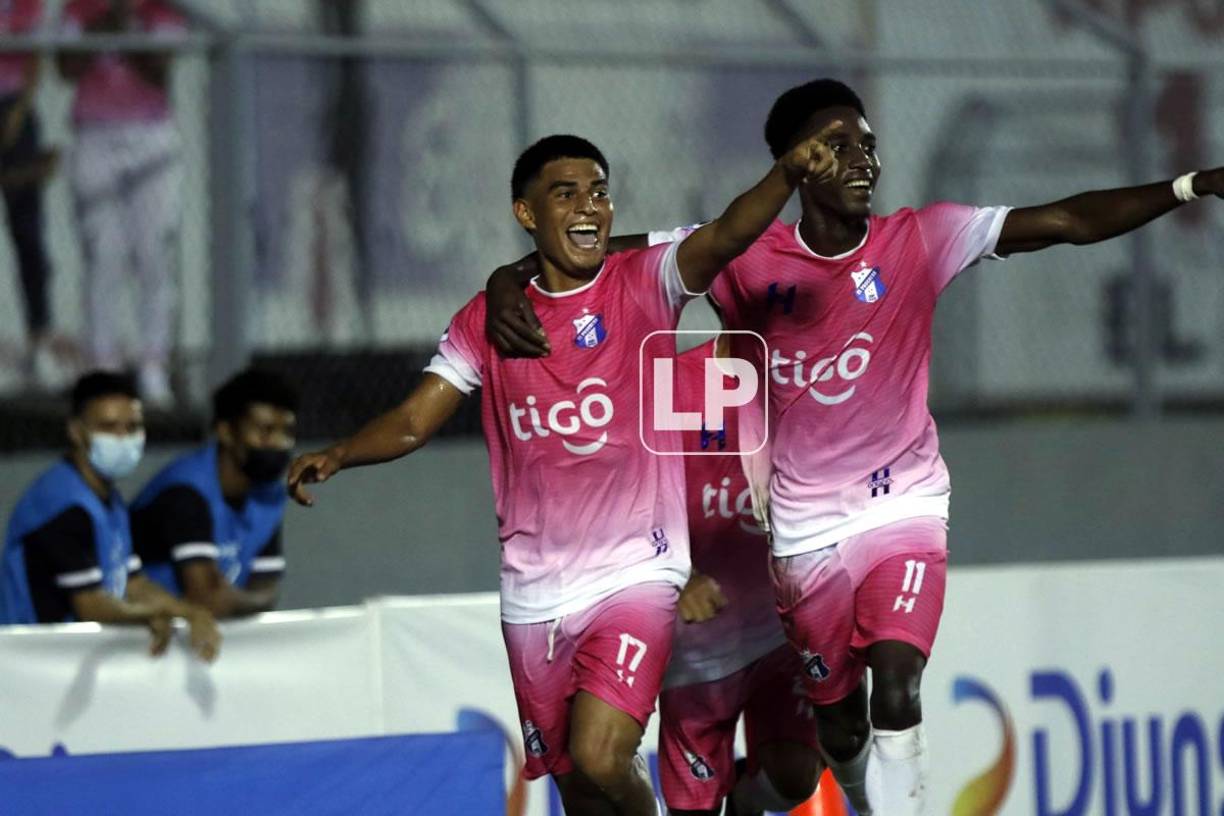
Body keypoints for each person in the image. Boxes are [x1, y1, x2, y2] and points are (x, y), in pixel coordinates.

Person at [484, 79, 1224, 815]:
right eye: (837, 146)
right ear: (797, 163)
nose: (862, 159)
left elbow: (1065, 218)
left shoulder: (922, 238)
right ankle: (862, 788)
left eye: (867, 144)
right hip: (804, 535)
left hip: (904, 504)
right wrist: (509, 277)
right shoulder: (743, 257)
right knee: (840, 718)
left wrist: (1191, 185)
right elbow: (591, 256)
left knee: (898, 682)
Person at [287, 132, 832, 815]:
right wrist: (338, 454)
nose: (589, 206)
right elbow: (410, 421)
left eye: (599, 192)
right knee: (583, 792)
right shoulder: (489, 319)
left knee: (603, 754)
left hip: (637, 575)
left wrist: (784, 173)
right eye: (565, 192)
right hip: (535, 594)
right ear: (526, 214)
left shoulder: (645, 284)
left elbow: (726, 235)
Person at [658, 333, 824, 816]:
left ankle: (747, 803)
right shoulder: (678, 384)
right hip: (704, 635)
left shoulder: (811, 377)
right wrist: (678, 574)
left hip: (785, 628)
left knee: (795, 779)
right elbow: (633, 492)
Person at [0, 371, 219, 662]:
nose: (123, 438)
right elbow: (90, 605)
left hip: (64, 663)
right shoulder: (63, 504)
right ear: (76, 431)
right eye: (109, 427)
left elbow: (132, 582)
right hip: (25, 664)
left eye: (133, 427)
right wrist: (156, 613)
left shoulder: (108, 500)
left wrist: (190, 613)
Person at [56, 0, 186, 406]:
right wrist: (104, 23)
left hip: (150, 134)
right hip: (95, 133)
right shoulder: (80, 7)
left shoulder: (163, 7)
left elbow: (160, 65)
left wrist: (125, 25)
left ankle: (152, 365)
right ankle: (102, 368)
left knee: (153, 256)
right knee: (103, 254)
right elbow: (66, 66)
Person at [131, 369, 297, 618]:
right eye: (265, 431)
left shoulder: (269, 495)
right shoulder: (184, 493)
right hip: (140, 638)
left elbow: (268, 589)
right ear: (226, 432)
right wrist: (247, 601)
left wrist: (237, 599)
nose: (278, 443)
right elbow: (208, 601)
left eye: (287, 432)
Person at [0, 0, 60, 390]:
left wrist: (17, 116)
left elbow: (33, 59)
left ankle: (39, 340)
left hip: (14, 112)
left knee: (28, 236)